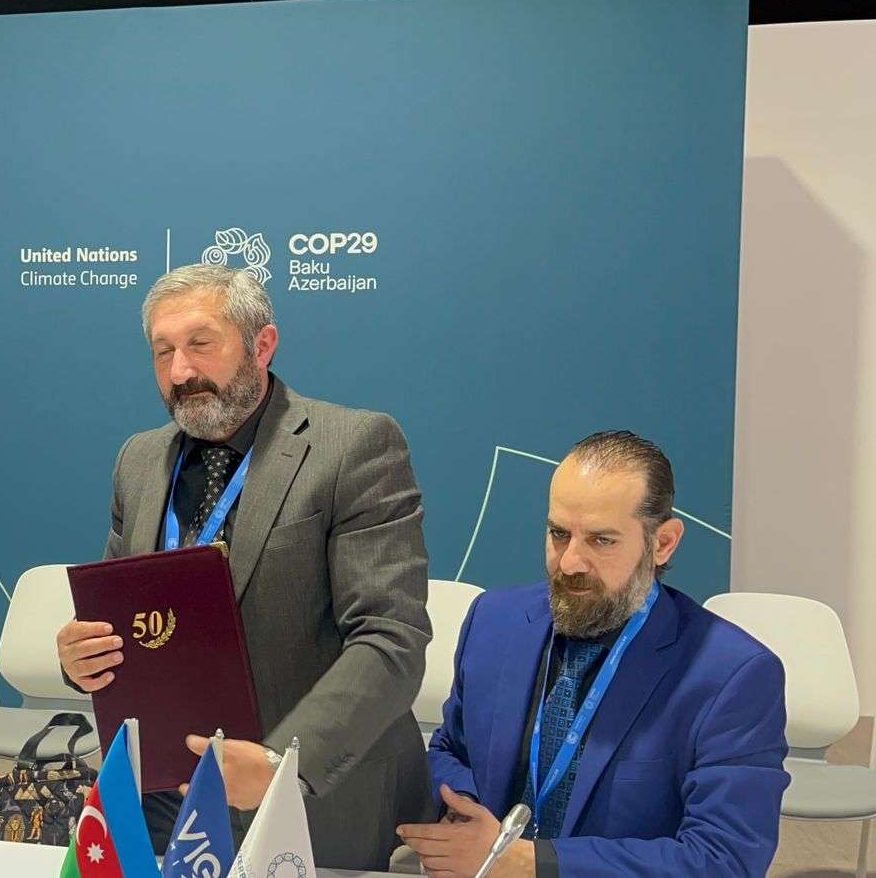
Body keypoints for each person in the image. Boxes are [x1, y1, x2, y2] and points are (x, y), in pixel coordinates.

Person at [54, 263, 434, 869]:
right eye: (163, 351)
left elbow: (390, 641)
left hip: (312, 796)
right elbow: (122, 618)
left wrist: (282, 763)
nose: (181, 372)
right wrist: (83, 656)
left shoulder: (355, 446)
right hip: (166, 793)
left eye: (201, 344)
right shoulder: (139, 460)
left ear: (262, 345)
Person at [400, 430, 788, 877]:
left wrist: (532, 862)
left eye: (602, 540)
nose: (570, 563)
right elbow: (452, 749)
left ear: (663, 543)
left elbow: (725, 860)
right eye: (559, 534)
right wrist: (463, 809)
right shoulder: (494, 621)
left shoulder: (732, 676)